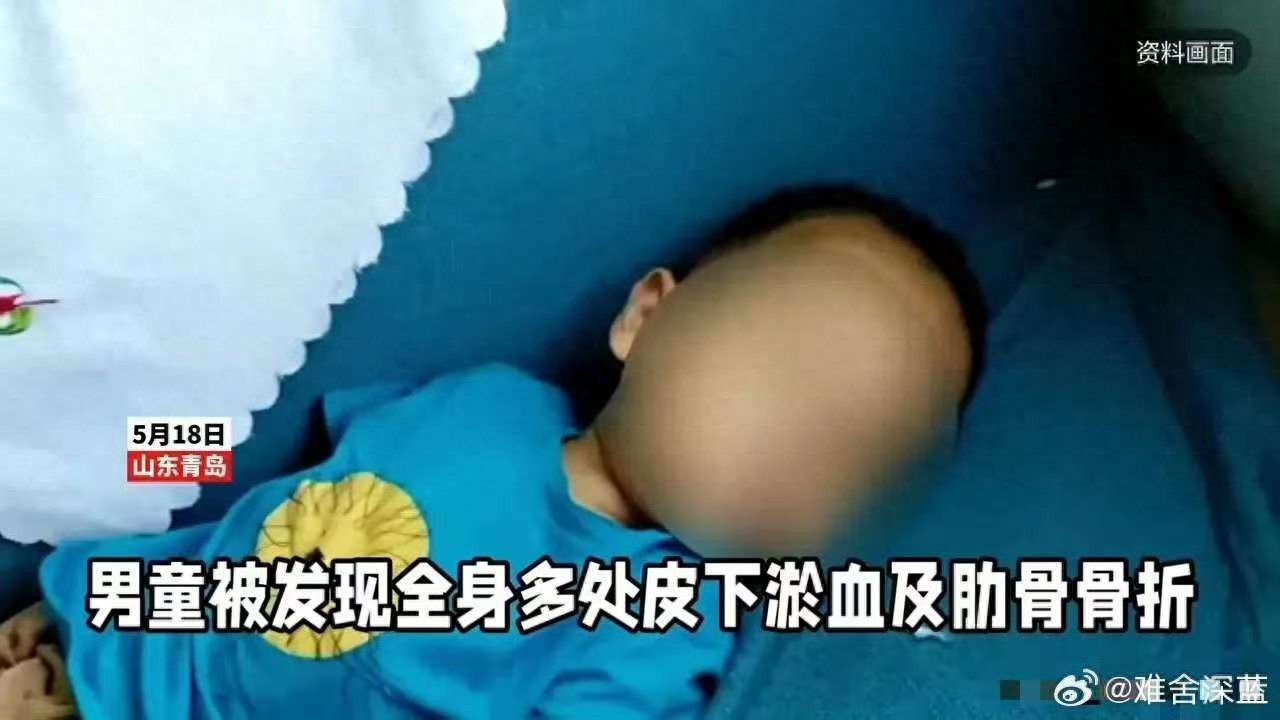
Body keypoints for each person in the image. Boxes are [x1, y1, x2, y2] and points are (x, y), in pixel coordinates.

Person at [0, 184, 982, 719]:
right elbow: (297, 497)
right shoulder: (488, 400)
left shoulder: (669, 628)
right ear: (647, 317)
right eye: (790, 362)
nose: (803, 438)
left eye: (858, 454)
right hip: (97, 641)